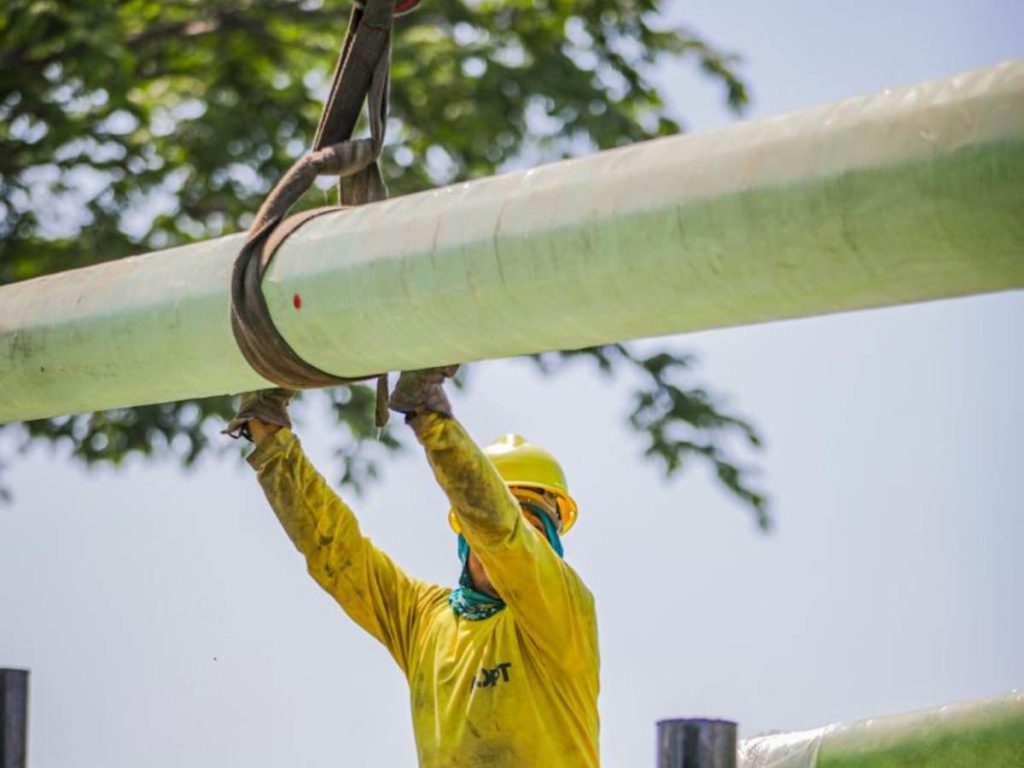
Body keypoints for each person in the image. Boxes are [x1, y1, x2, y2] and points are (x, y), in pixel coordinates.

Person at [225, 368, 600, 767]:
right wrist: (270, 439)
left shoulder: (561, 614)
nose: (511, 542)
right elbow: (335, 553)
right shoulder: (426, 622)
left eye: (533, 528)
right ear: (464, 534)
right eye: (510, 519)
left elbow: (502, 536)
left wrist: (430, 417)